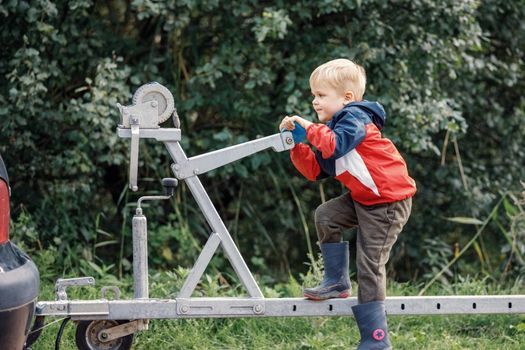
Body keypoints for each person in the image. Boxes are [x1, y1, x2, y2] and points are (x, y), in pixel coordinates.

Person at [279, 58, 416, 349]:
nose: (314, 101)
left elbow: (336, 144)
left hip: (388, 203)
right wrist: (297, 143)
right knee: (326, 215)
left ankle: (376, 340)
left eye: (321, 95)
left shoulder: (355, 118)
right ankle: (337, 281)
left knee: (369, 265)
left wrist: (311, 129)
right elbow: (317, 170)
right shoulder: (333, 128)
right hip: (366, 199)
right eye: (313, 95)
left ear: (347, 98)